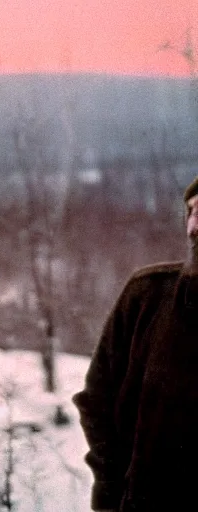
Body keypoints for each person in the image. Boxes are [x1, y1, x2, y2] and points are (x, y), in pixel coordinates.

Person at [73, 175, 198, 512]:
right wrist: (114, 485)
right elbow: (96, 401)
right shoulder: (147, 295)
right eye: (192, 212)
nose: (195, 227)